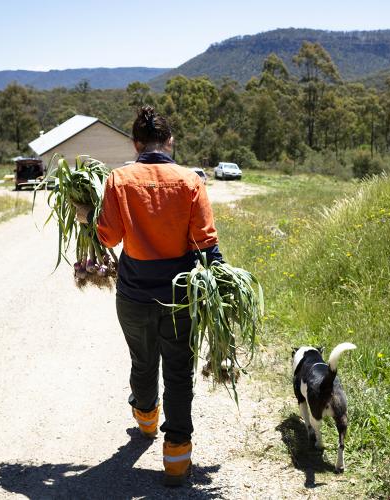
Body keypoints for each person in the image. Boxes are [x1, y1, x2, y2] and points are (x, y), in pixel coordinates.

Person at [76, 106, 222, 486]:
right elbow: (206, 243)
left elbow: (107, 237)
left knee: (143, 363)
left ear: (136, 144)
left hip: (135, 295)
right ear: (169, 142)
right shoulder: (190, 181)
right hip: (180, 297)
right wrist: (223, 280)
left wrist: (87, 217)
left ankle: (146, 421)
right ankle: (176, 458)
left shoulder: (119, 180)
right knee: (177, 373)